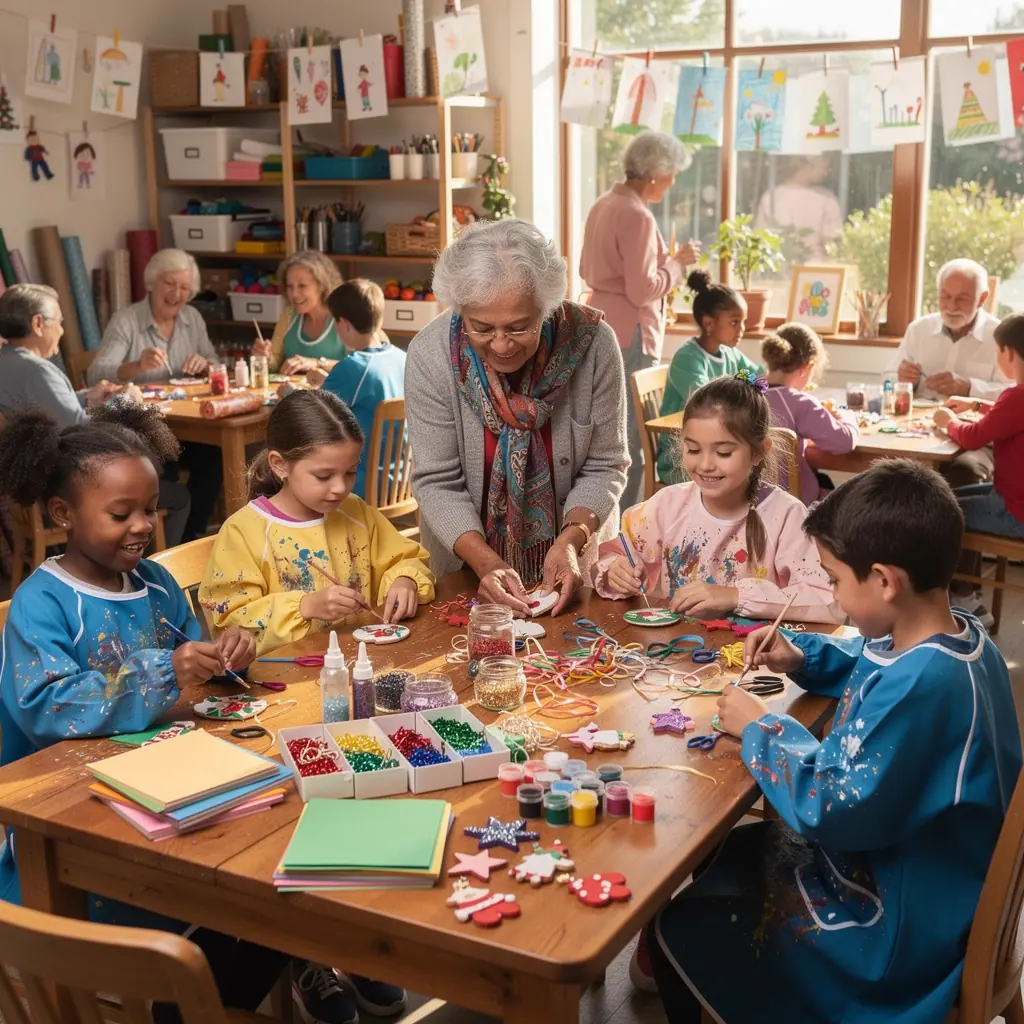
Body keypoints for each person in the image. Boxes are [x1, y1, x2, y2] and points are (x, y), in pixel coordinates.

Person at [644, 459, 1023, 1023]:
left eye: (836, 580)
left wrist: (762, 726)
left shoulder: (926, 688)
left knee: (675, 926)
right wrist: (801, 655)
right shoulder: (957, 640)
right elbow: (872, 661)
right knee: (728, 853)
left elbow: (829, 804)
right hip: (933, 877)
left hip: (897, 932)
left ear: (885, 581)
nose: (834, 596)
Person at [0, 404, 288, 1024]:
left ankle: (206, 994)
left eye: (150, 509)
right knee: (255, 906)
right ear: (63, 514)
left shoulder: (154, 582)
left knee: (276, 882)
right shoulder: (42, 603)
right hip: (78, 823)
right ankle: (177, 996)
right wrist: (165, 672)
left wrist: (225, 654)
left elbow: (194, 661)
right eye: (120, 514)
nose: (142, 527)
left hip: (171, 791)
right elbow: (47, 707)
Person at [405, 219, 629, 615]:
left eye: (519, 327)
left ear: (547, 308)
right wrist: (486, 563)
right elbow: (437, 482)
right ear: (460, 310)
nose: (502, 344)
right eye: (481, 328)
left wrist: (571, 541)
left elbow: (605, 464)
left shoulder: (594, 345)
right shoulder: (430, 355)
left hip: (573, 567)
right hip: (463, 571)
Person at [199, 388, 434, 655]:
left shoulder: (355, 511)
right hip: (286, 673)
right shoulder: (243, 532)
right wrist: (304, 607)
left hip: (362, 662)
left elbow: (405, 558)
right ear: (279, 464)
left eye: (350, 472)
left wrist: (405, 579)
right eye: (323, 476)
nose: (340, 487)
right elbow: (230, 628)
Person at [594, 373, 842, 623]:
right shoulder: (667, 506)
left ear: (759, 452)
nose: (705, 465)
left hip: (756, 647)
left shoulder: (786, 516)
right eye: (693, 449)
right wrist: (616, 571)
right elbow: (612, 556)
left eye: (723, 452)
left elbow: (829, 601)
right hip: (679, 643)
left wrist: (736, 596)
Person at [0, 284, 191, 547]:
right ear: (38, 324)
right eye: (59, 322)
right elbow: (78, 430)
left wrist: (87, 397)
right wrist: (126, 400)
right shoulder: (37, 370)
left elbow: (43, 408)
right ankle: (146, 565)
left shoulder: (6, 362)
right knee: (177, 496)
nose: (62, 331)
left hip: (32, 487)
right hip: (67, 488)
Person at [579, 130, 700, 507]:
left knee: (601, 437)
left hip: (599, 325)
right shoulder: (638, 216)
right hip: (631, 335)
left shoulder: (603, 204)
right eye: (672, 173)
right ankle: (627, 525)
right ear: (654, 173)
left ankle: (598, 518)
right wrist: (677, 264)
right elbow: (642, 290)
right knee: (629, 442)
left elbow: (585, 268)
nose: (673, 181)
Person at [888, 259, 1007, 623]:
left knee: (962, 476)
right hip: (923, 432)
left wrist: (968, 386)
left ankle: (962, 592)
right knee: (892, 478)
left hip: (979, 439)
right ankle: (903, 587)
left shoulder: (1001, 336)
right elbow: (890, 382)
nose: (951, 306)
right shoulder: (919, 329)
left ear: (982, 298)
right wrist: (902, 377)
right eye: (945, 296)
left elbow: (1013, 395)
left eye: (962, 298)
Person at [88, 249, 224, 543]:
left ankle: (191, 537)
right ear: (151, 283)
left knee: (215, 457)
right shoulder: (126, 320)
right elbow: (96, 373)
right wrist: (136, 366)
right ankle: (164, 542)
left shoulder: (192, 318)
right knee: (165, 463)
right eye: (169, 284)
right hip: (141, 430)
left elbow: (215, 362)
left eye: (184, 287)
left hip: (187, 426)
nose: (177, 294)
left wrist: (205, 364)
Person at [305, 280, 406, 501]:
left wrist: (287, 393)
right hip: (403, 482)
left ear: (343, 324)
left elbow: (313, 411)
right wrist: (327, 380)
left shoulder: (353, 366)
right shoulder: (403, 358)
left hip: (363, 483)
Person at [655, 271, 758, 486]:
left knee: (754, 466)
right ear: (709, 324)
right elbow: (707, 403)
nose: (741, 329)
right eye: (734, 322)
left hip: (717, 448)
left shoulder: (731, 354)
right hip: (683, 457)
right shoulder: (687, 358)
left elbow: (757, 378)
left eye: (743, 322)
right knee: (745, 475)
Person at [934, 313, 1024, 544]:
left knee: (934, 513)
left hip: (1014, 512)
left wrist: (949, 422)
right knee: (942, 499)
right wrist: (976, 405)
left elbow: (973, 438)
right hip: (1011, 499)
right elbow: (1010, 417)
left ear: (1008, 353)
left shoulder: (1016, 396)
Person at [761, 322, 858, 504]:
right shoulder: (799, 403)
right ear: (806, 367)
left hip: (750, 501)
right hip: (793, 504)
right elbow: (844, 441)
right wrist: (847, 415)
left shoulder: (745, 392)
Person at [250, 251, 345, 375]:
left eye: (302, 286)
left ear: (322, 286)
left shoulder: (345, 317)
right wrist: (265, 358)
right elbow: (275, 365)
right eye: (289, 286)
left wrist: (317, 363)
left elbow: (360, 367)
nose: (294, 294)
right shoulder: (288, 315)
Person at [754, 155, 842, 263]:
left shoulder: (771, 197)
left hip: (779, 267)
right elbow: (831, 244)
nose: (826, 172)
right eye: (825, 166)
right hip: (815, 268)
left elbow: (760, 239)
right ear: (808, 165)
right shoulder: (827, 199)